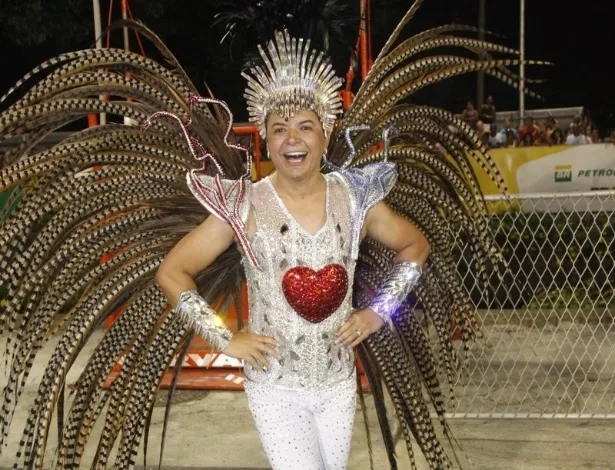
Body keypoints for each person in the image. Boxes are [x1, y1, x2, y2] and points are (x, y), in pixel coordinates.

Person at [0, 4, 528, 469]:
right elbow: (171, 272)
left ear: (325, 133)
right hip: (275, 388)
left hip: (338, 385)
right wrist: (225, 338)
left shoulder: (356, 197)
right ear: (267, 141)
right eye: (279, 128)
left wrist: (377, 311)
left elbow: (416, 247)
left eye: (304, 126)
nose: (292, 139)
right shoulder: (243, 205)